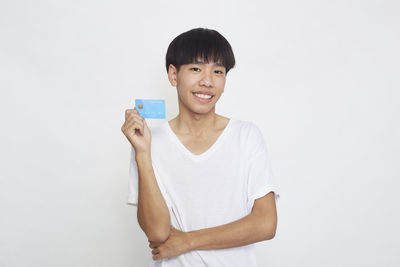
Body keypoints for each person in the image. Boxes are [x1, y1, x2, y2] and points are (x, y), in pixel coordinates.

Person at [121, 27, 280, 267]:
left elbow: (266, 224)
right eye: (196, 69)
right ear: (174, 75)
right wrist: (143, 153)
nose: (207, 81)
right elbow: (156, 233)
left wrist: (187, 241)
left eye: (218, 71)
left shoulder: (246, 136)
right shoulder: (147, 141)